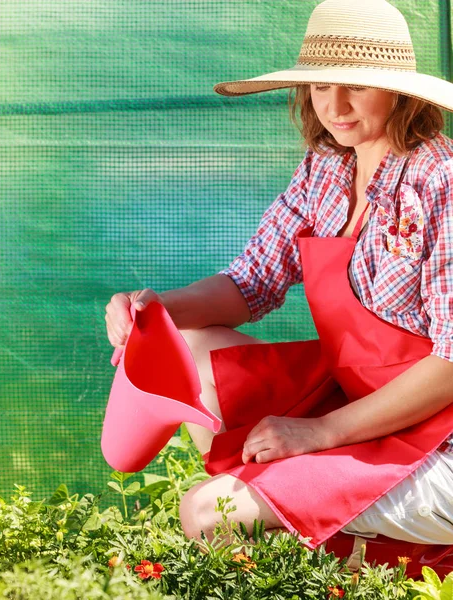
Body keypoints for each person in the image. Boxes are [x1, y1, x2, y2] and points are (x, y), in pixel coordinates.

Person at [105, 0, 453, 550]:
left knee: (207, 512)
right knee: (189, 343)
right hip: (360, 405)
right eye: (319, 87)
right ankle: (332, 538)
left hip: (438, 438)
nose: (334, 106)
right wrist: (155, 310)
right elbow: (252, 282)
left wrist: (315, 434)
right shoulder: (329, 167)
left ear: (398, 90)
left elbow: (452, 364)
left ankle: (388, 549)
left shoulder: (440, 182)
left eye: (353, 86)